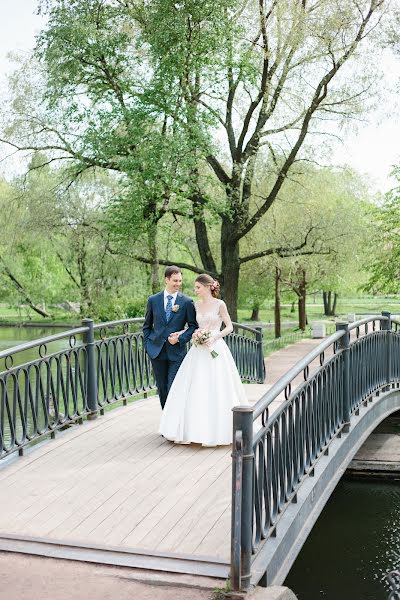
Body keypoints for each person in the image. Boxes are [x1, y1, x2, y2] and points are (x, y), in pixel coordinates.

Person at [159, 273, 248, 446]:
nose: (195, 290)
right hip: (198, 349)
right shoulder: (196, 305)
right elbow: (193, 327)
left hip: (216, 347)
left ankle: (219, 430)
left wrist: (214, 337)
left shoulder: (219, 304)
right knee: (196, 386)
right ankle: (192, 430)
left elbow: (229, 327)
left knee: (218, 386)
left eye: (198, 287)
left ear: (207, 287)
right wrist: (184, 334)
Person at [143, 266, 198, 410]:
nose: (178, 284)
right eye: (175, 280)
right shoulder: (153, 300)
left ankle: (173, 421)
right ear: (166, 279)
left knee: (173, 385)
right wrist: (148, 345)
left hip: (176, 352)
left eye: (180, 281)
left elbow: (193, 326)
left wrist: (180, 339)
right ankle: (166, 420)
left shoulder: (186, 302)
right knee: (161, 387)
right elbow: (146, 326)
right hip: (157, 350)